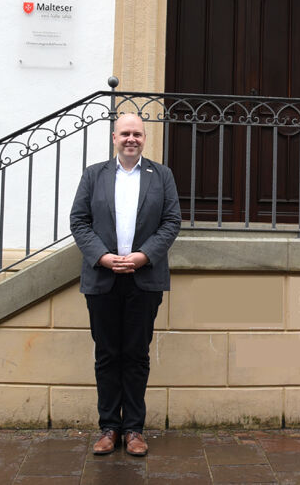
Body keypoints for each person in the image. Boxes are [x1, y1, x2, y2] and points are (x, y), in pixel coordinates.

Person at [70, 113, 181, 457]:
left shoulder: (161, 175)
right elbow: (79, 220)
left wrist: (143, 256)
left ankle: (133, 429)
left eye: (137, 134)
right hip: (103, 279)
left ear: (144, 138)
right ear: (114, 137)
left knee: (135, 354)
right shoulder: (94, 175)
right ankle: (108, 428)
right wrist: (102, 257)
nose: (131, 139)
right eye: (125, 134)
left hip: (143, 280)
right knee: (107, 354)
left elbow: (171, 221)